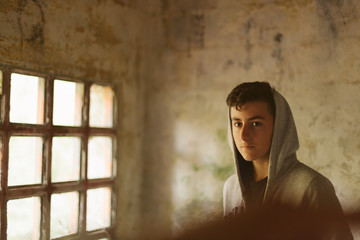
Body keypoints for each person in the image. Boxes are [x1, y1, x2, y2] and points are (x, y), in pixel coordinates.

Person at [223, 81, 353, 239]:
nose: (243, 135)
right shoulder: (231, 188)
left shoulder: (311, 187)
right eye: (237, 124)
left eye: (255, 124)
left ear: (279, 127)